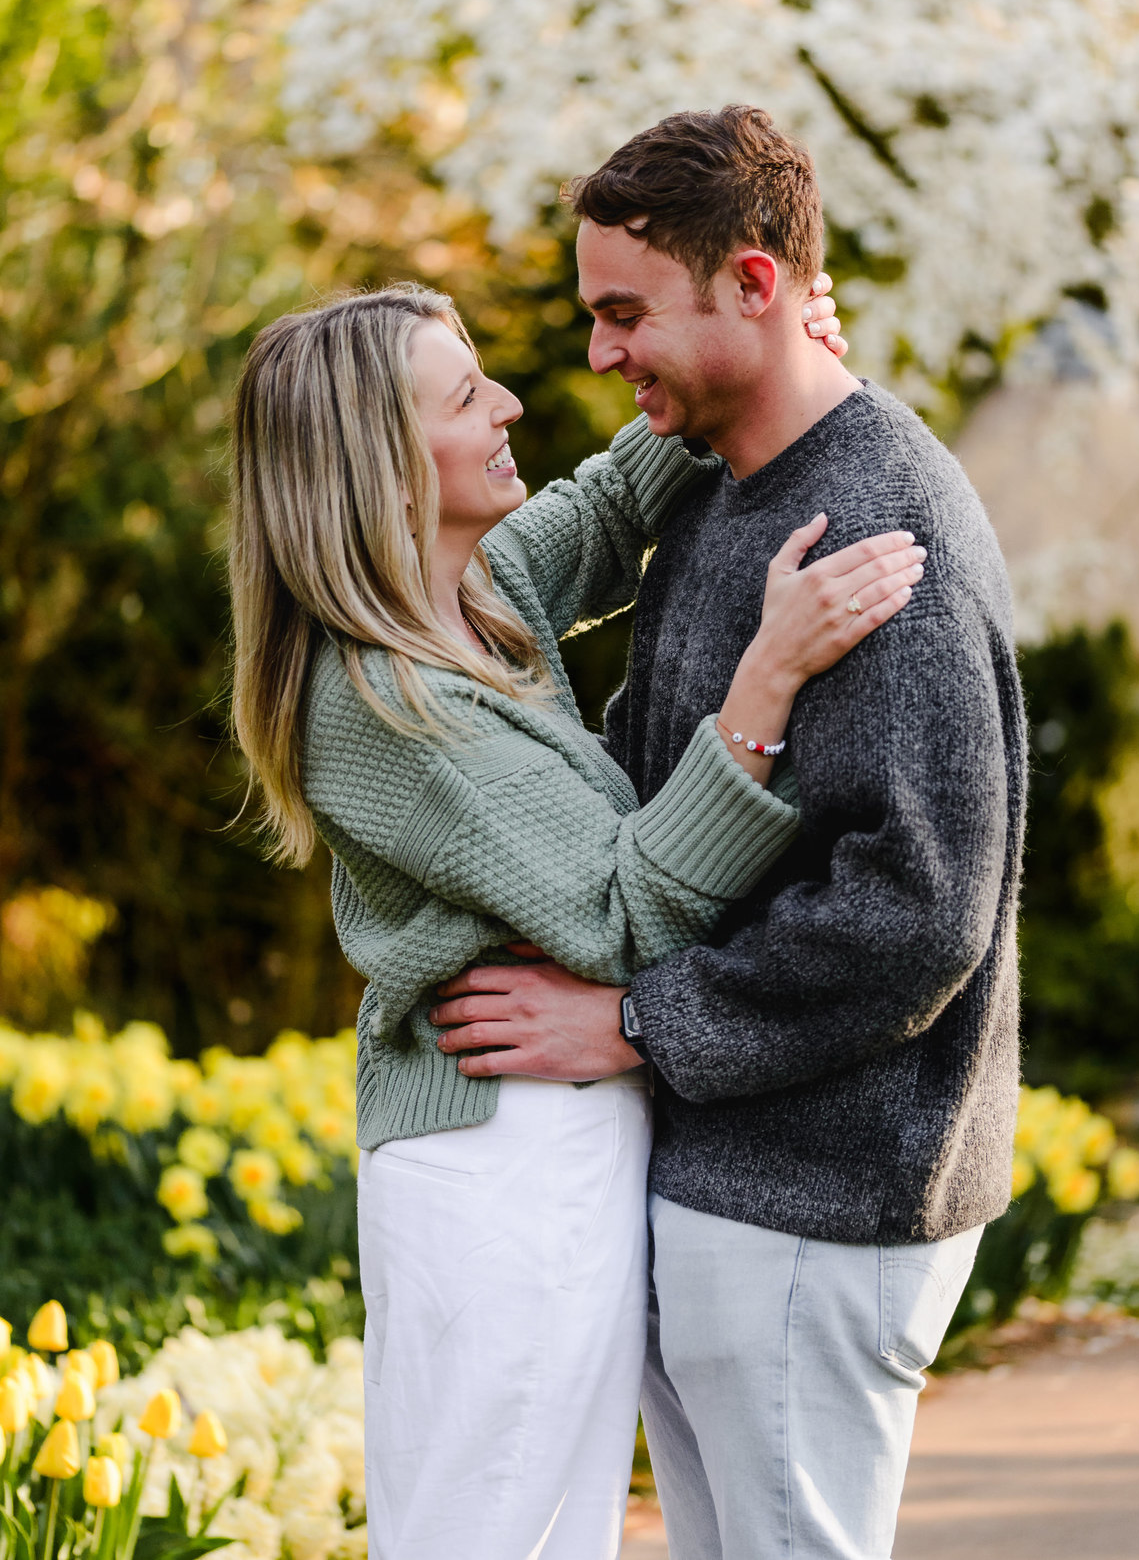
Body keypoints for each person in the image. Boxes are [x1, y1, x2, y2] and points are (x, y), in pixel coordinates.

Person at [226, 281, 923, 1560]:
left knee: (550, 1530)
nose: (511, 403)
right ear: (386, 464)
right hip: (500, 1159)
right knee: (495, 1533)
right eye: (464, 396)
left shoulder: (471, 595)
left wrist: (764, 355)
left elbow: (603, 512)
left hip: (562, 1143)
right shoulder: (380, 701)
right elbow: (623, 905)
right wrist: (766, 678)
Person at [429, 106, 1028, 1560]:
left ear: (754, 287)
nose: (596, 352)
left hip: (822, 1199)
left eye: (626, 311)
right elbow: (647, 768)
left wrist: (639, 1020)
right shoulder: (723, 493)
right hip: (738, 1189)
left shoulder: (883, 534)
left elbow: (916, 911)